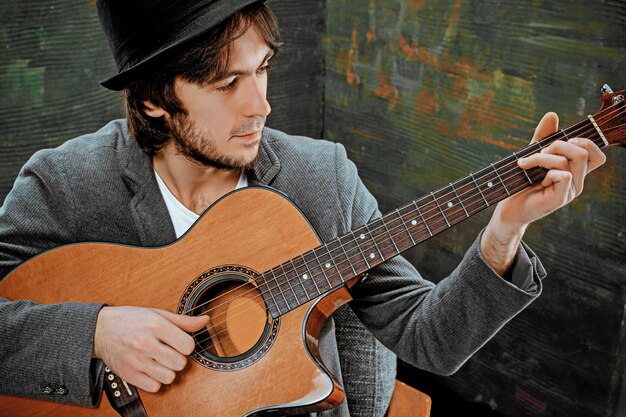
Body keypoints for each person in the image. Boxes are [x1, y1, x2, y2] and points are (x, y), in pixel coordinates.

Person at [0, 0, 606, 416]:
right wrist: (97, 332)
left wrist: (505, 229)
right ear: (157, 98)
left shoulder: (322, 177)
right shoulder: (65, 183)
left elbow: (430, 340)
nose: (260, 105)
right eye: (226, 83)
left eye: (262, 70)